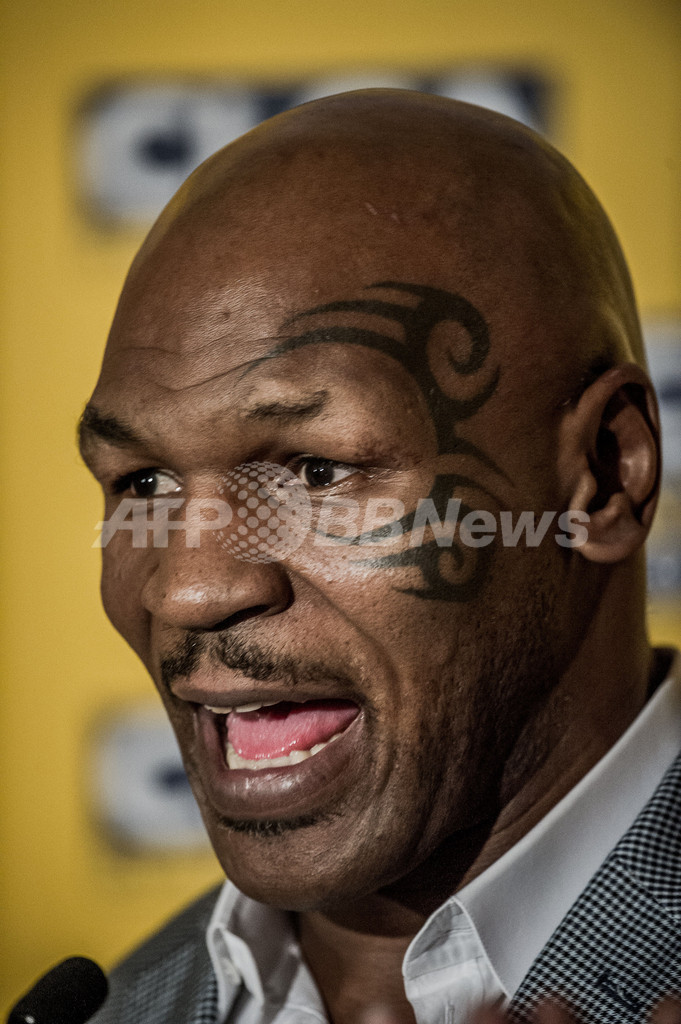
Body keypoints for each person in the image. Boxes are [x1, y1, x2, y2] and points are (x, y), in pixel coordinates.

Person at [79, 89, 680, 1024]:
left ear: (604, 476)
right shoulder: (117, 1009)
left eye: (314, 471)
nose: (189, 588)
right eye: (144, 482)